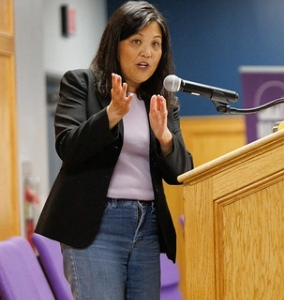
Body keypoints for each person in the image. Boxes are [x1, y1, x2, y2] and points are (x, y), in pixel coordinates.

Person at [35, 1, 193, 299]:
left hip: (147, 227)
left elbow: (183, 173)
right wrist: (111, 114)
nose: (147, 52)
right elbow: (68, 148)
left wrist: (164, 138)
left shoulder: (162, 101)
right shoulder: (80, 83)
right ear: (115, 44)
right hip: (97, 226)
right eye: (137, 41)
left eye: (155, 44)